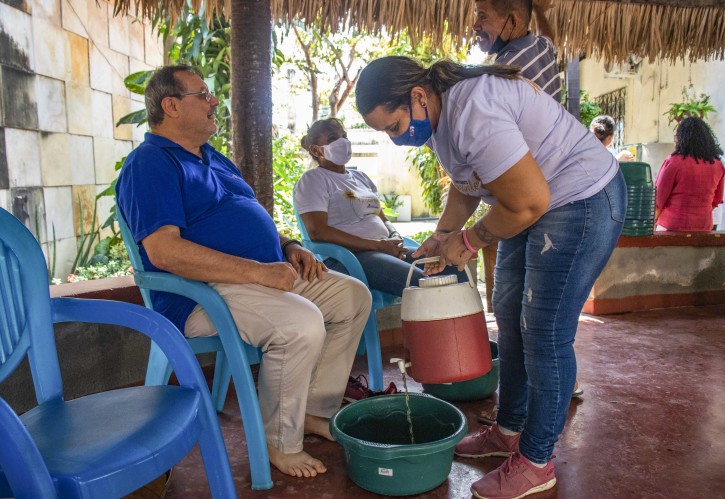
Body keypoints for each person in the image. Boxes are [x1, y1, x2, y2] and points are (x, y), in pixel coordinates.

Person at [355, 56, 626, 499]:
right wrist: (443, 234)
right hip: (538, 204)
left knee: (544, 333)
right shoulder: (440, 116)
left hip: (580, 199)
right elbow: (467, 182)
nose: (395, 137)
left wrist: (470, 240)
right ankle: (510, 430)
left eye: (394, 124)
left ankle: (537, 461)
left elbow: (527, 201)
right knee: (508, 313)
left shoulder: (473, 108)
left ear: (418, 96)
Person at [116, 65, 371, 479]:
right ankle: (278, 441)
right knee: (299, 323)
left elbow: (253, 220)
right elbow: (164, 252)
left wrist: (289, 247)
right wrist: (258, 272)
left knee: (352, 297)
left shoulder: (214, 159)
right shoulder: (151, 163)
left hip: (259, 278)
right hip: (200, 292)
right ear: (171, 106)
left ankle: (310, 411)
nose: (214, 100)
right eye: (203, 94)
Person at [294, 117, 467, 296]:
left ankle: (463, 323)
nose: (343, 142)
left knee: (453, 268)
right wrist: (376, 246)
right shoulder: (313, 180)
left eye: (344, 135)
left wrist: (394, 237)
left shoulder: (360, 177)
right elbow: (318, 231)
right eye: (332, 138)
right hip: (352, 257)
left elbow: (381, 217)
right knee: (423, 283)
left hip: (384, 249)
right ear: (315, 150)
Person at [473, 0, 562, 101]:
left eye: (482, 17)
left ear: (512, 21)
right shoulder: (542, 46)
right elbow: (547, 35)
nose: (475, 26)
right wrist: (538, 10)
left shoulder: (504, 73)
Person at [654, 117, 725, 232]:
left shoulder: (674, 162)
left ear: (682, 139)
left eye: (676, 137)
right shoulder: (717, 165)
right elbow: (717, 199)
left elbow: (658, 199)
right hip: (703, 227)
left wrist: (653, 223)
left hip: (671, 226)